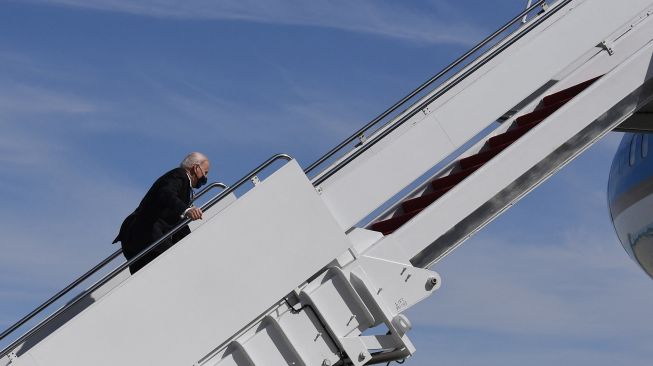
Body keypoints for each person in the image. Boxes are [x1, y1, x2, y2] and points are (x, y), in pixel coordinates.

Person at [113, 152, 210, 274]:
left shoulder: (183, 186)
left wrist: (190, 244)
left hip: (135, 237)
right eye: (205, 173)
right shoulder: (179, 176)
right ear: (195, 168)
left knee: (144, 279)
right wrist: (187, 210)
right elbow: (166, 193)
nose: (205, 178)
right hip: (145, 233)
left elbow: (178, 225)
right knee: (170, 266)